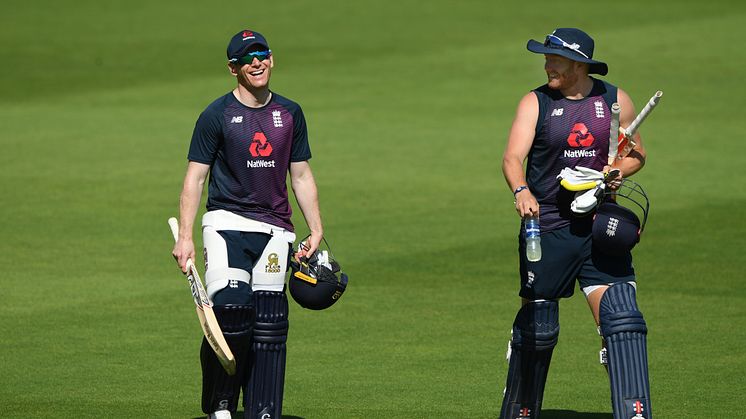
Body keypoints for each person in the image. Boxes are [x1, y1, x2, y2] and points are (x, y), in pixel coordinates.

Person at [499, 28, 652, 419]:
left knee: (623, 320)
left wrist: (618, 170)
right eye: (546, 58)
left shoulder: (615, 100)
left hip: (601, 226)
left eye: (555, 59)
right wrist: (522, 192)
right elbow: (512, 158)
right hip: (548, 225)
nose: (547, 64)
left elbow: (636, 154)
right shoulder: (536, 103)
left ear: (579, 64)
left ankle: (634, 412)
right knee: (539, 330)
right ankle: (520, 410)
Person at [171, 29, 323, 419]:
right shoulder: (216, 114)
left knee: (271, 323)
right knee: (232, 310)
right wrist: (185, 237)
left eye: (262, 54)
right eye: (247, 58)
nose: (257, 62)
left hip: (276, 230)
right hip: (226, 224)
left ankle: (264, 409)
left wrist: (316, 227)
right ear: (233, 68)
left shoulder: (290, 113)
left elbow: (301, 175)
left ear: (272, 59)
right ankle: (220, 404)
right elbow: (195, 177)